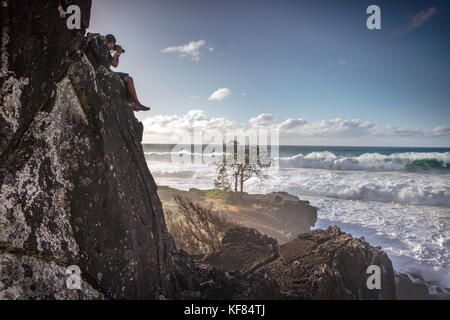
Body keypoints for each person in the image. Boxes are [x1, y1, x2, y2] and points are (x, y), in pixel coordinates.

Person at [105, 34, 150, 111]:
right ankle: (136, 103)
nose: (113, 46)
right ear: (111, 42)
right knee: (129, 79)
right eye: (113, 44)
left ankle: (135, 103)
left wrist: (115, 54)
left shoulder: (105, 51)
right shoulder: (104, 50)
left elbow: (108, 65)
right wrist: (118, 54)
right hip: (104, 73)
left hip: (105, 71)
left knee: (128, 79)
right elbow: (115, 65)